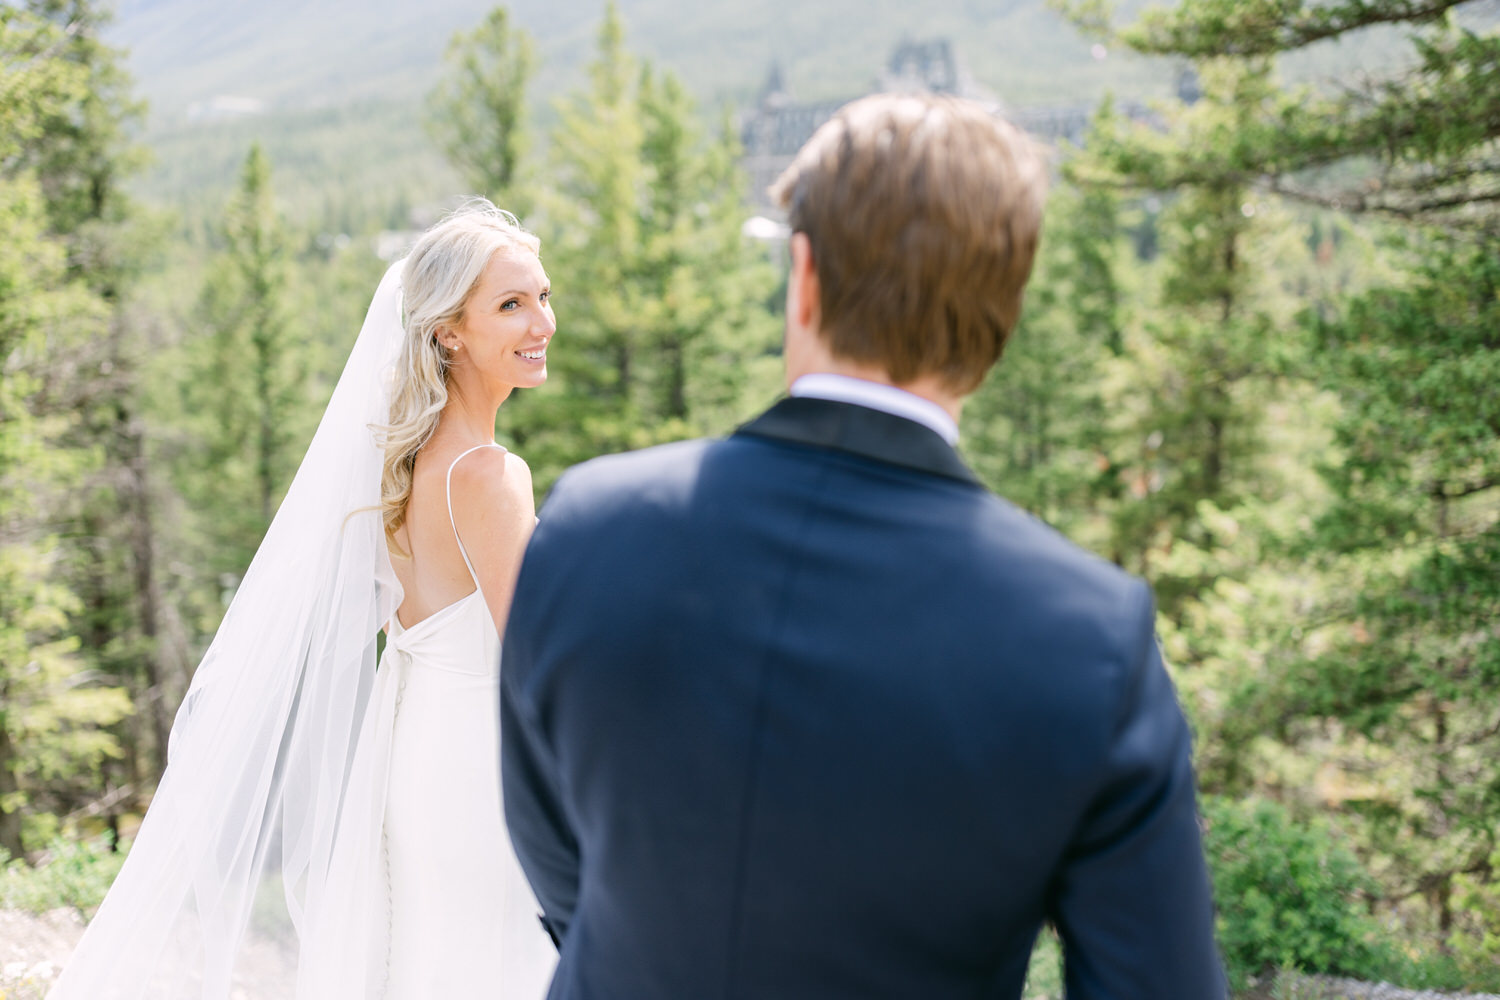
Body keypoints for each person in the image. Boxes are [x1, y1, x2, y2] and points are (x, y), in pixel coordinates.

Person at [501, 94, 1227, 998]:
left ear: (802, 275)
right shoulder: (1093, 638)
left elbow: (557, 862)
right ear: (1003, 312)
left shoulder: (587, 529)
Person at [49, 201, 557, 999]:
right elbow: (541, 662)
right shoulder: (490, 476)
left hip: (413, 759)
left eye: (542, 296)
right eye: (511, 303)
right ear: (448, 331)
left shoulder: (403, 466)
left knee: (433, 963)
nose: (542, 322)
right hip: (481, 769)